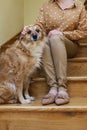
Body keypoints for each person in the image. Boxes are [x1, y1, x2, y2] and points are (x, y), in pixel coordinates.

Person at [23, 0, 87, 105]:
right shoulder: (46, 6)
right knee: (43, 41)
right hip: (49, 44)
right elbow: (40, 25)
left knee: (56, 38)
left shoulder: (79, 7)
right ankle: (53, 88)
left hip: (70, 45)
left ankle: (62, 88)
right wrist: (29, 28)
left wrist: (62, 33)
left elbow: (83, 32)